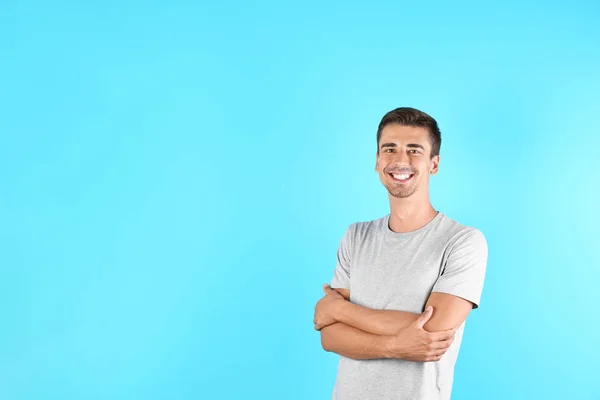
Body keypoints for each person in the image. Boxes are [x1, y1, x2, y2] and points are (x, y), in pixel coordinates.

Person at [313, 107, 488, 400]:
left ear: (434, 164)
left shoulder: (462, 241)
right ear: (377, 161)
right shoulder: (356, 236)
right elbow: (330, 337)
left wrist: (339, 310)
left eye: (414, 150)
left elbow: (433, 332)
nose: (400, 160)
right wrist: (396, 345)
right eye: (390, 149)